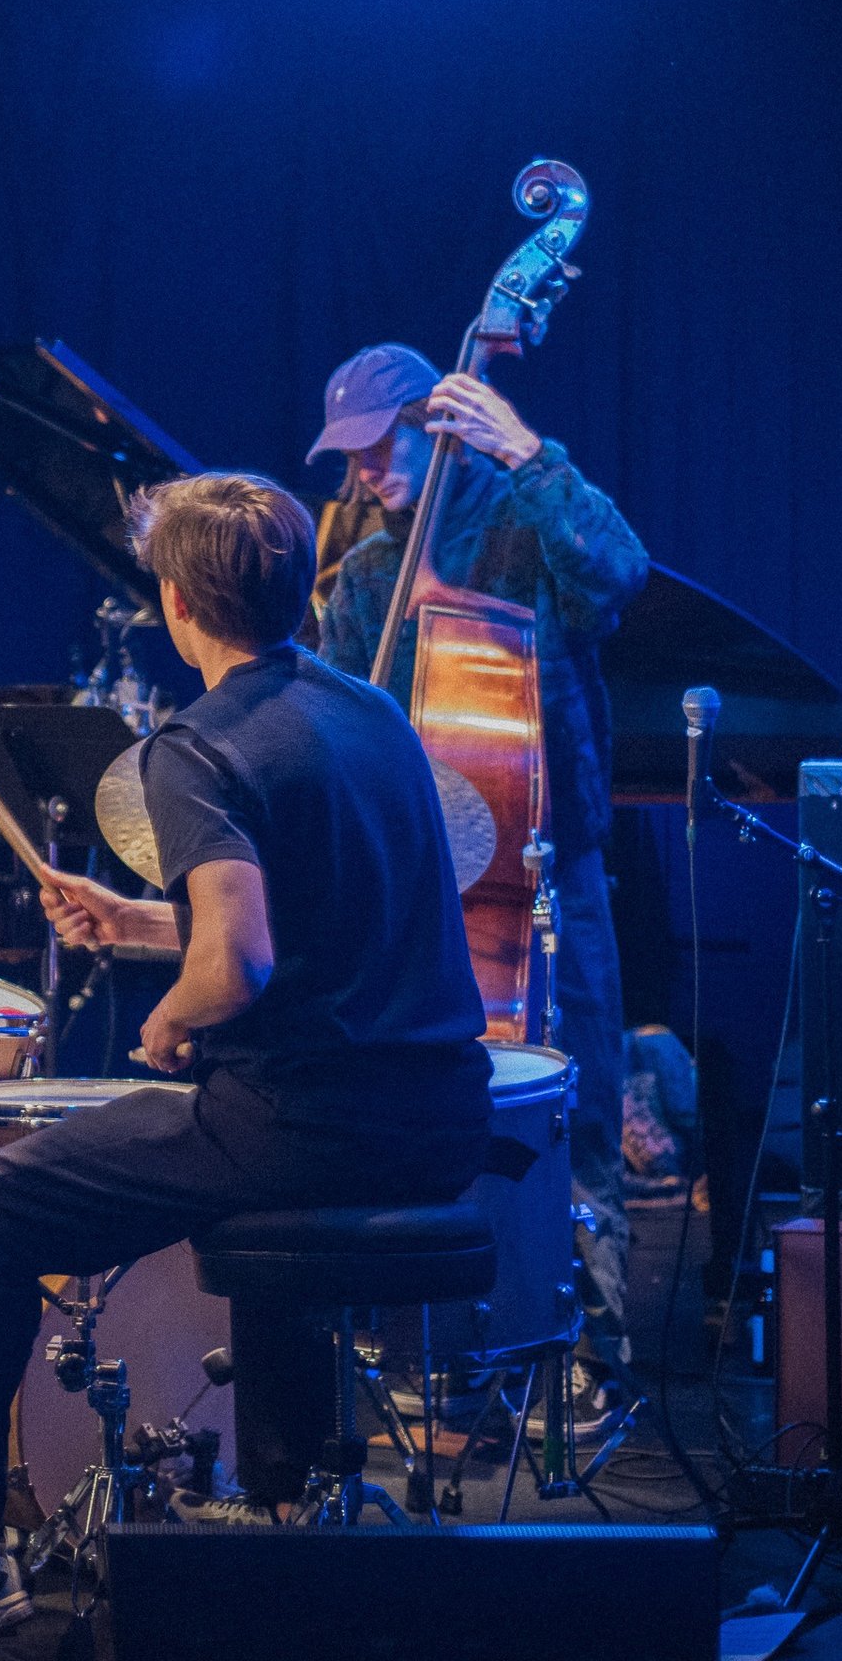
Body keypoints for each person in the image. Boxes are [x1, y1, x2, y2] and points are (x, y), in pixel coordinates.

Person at [0, 472, 490, 1637]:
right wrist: (136, 925)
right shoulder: (369, 712)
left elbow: (242, 966)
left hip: (305, 1125)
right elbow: (315, 926)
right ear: (302, 593)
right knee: (226, 1140)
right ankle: (285, 1504)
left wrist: (173, 1018)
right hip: (436, 1115)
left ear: (177, 604)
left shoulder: (199, 746)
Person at [309, 341, 649, 1431]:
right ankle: (436, 1343)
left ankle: (583, 1343)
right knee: (429, 1113)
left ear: (437, 423)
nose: (364, 473)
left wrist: (527, 447)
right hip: (430, 895)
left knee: (577, 1104)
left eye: (379, 446)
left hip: (555, 872)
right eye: (349, 457)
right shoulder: (366, 580)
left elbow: (620, 574)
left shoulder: (525, 520)